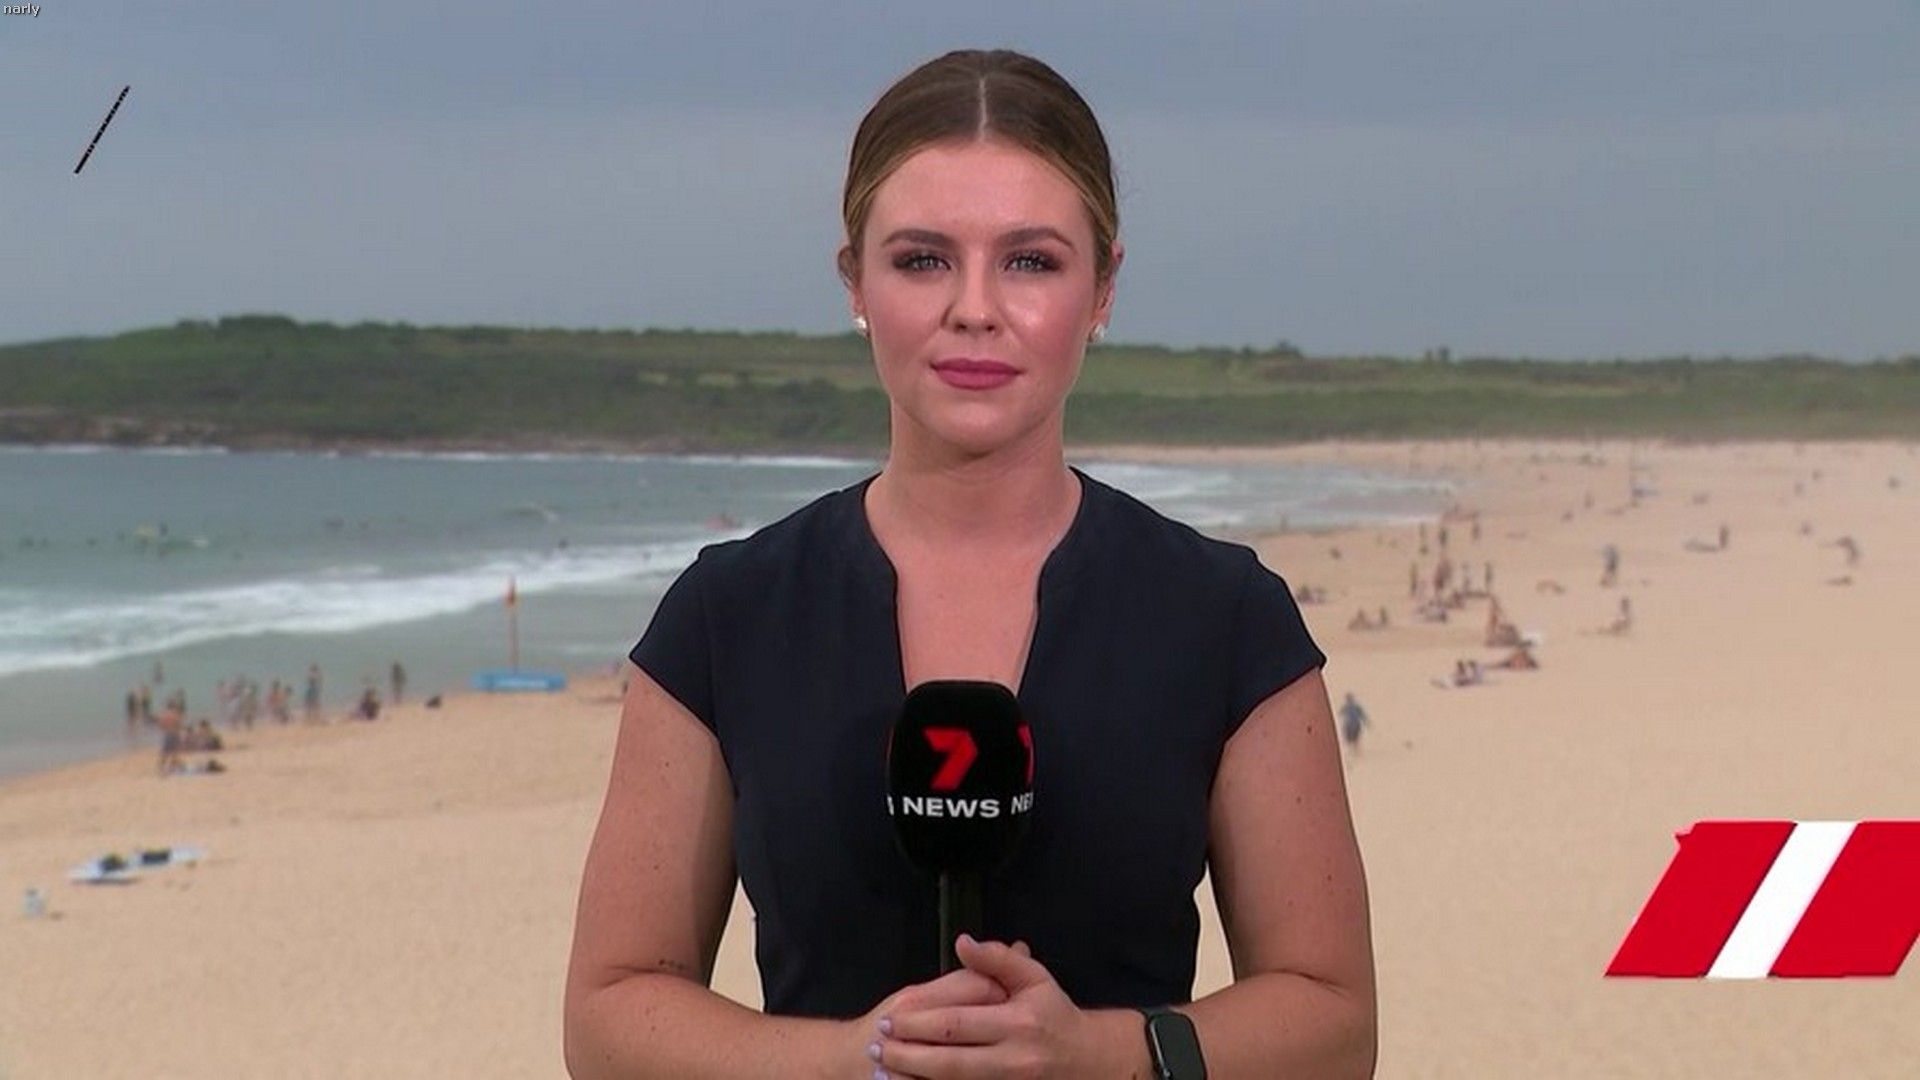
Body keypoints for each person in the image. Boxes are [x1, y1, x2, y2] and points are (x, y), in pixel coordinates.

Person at [564, 49, 1375, 1080]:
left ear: (1103, 288)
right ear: (855, 281)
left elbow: (1335, 1024)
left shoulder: (1227, 619)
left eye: (1030, 262)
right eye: (922, 260)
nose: (975, 308)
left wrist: (1103, 1053)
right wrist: (856, 1059)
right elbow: (608, 1016)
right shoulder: (727, 616)